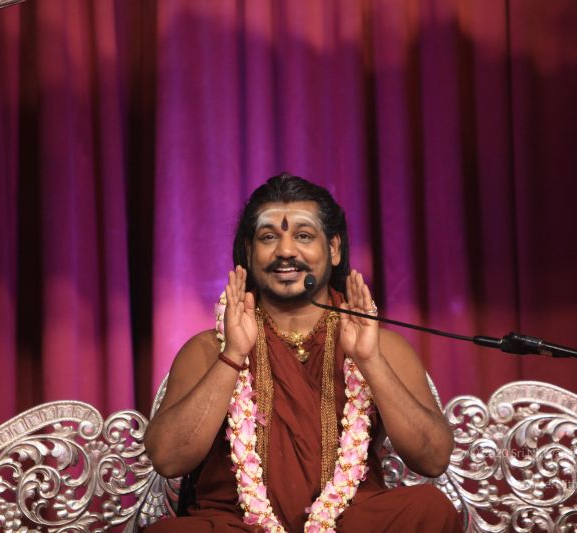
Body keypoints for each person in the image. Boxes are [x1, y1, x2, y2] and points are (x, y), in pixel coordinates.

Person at [143, 173, 462, 532]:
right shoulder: (209, 348)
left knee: (429, 509)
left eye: (304, 236)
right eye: (268, 237)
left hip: (351, 522)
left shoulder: (381, 346)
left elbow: (433, 459)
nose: (286, 251)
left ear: (334, 249)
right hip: (240, 525)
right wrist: (232, 355)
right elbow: (167, 460)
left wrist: (370, 360)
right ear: (248, 251)